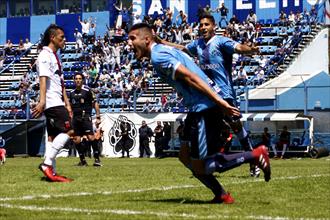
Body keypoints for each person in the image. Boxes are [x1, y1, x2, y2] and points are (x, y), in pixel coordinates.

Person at [128, 23, 271, 203]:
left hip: (204, 108)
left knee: (204, 165)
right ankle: (221, 195)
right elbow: (186, 58)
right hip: (198, 107)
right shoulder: (162, 50)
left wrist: (219, 102)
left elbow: (191, 77)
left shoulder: (158, 57)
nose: (128, 43)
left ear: (146, 39)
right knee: (185, 157)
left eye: (132, 38)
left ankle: (255, 155)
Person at [158, 14, 261, 177]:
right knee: (206, 130)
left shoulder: (221, 41)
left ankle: (254, 161)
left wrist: (251, 50)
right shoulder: (197, 45)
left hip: (225, 93)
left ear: (213, 26)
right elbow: (183, 49)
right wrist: (162, 43)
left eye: (206, 24)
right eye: (201, 25)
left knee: (236, 127)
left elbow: (239, 48)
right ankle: (205, 164)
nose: (203, 27)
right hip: (206, 94)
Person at [32, 24, 74, 182]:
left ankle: (52, 173)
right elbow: (43, 78)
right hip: (51, 102)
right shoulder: (44, 55)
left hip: (58, 101)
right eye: (62, 37)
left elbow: (60, 82)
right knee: (70, 131)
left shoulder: (55, 56)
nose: (64, 40)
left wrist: (67, 103)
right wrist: (42, 101)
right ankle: (47, 164)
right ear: (52, 38)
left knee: (52, 137)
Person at [69, 72, 102, 166]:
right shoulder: (71, 93)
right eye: (76, 79)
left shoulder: (87, 91)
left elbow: (95, 103)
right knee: (76, 139)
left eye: (79, 78)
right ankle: (82, 161)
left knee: (90, 137)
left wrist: (98, 117)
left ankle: (97, 159)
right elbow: (70, 107)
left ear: (82, 80)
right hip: (75, 119)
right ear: (74, 80)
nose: (78, 80)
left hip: (85, 117)